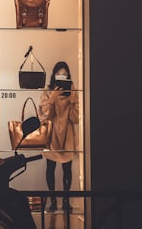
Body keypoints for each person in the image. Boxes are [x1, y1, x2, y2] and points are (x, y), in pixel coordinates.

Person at [40, 61, 79, 212]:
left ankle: (66, 201)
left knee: (67, 168)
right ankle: (53, 202)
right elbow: (44, 116)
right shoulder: (48, 90)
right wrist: (53, 99)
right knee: (50, 168)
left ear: (68, 76)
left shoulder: (73, 90)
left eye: (64, 74)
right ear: (54, 75)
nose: (61, 77)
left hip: (67, 134)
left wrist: (69, 101)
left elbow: (76, 118)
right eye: (59, 74)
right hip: (52, 134)